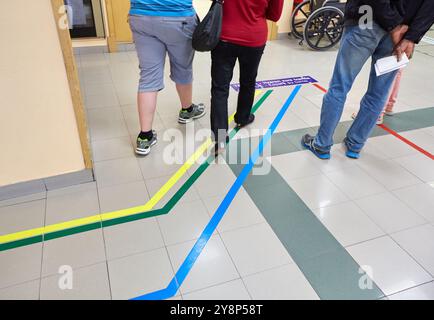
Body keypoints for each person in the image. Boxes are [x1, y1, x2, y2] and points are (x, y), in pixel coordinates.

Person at [302, 0, 434, 160]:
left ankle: (321, 144)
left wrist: (393, 25)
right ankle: (355, 144)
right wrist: (411, 36)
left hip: (367, 18)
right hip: (401, 32)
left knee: (340, 86)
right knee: (379, 93)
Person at [129, 0, 206, 156]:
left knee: (148, 76)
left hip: (141, 16)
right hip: (178, 16)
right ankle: (187, 110)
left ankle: (145, 136)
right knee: (183, 68)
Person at [211, 0, 284, 154]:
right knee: (248, 81)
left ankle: (220, 137)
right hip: (254, 38)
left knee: (220, 88)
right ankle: (243, 118)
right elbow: (274, 15)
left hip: (225, 35)